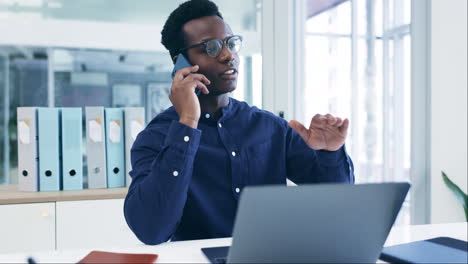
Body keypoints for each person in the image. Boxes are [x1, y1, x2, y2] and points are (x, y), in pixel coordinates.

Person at [124, 0, 354, 245]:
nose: (227, 55)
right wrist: (188, 121)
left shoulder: (271, 127)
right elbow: (151, 230)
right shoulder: (156, 137)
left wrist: (330, 153)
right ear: (180, 61)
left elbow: (336, 207)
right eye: (210, 47)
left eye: (231, 43)